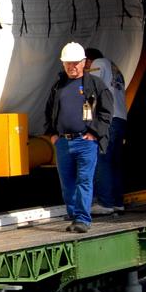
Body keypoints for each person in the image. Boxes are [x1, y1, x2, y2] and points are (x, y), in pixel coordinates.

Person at [43, 42, 113, 233]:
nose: (72, 67)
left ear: (83, 63)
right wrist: (53, 134)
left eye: (75, 63)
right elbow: (49, 111)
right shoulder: (58, 86)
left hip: (85, 142)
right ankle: (74, 216)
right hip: (64, 142)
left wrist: (95, 133)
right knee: (67, 182)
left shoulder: (95, 85)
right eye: (68, 64)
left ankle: (82, 219)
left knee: (84, 180)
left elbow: (106, 111)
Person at [85, 47, 128, 216]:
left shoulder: (98, 64)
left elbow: (90, 90)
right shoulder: (115, 69)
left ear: (88, 60)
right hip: (120, 118)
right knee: (114, 163)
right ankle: (117, 202)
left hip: (107, 119)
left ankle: (105, 202)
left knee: (102, 160)